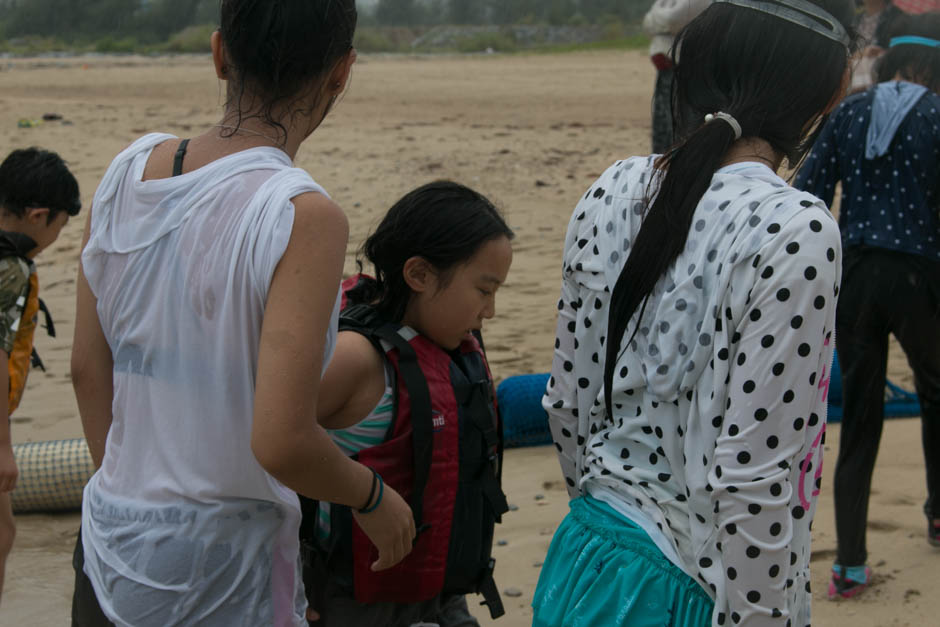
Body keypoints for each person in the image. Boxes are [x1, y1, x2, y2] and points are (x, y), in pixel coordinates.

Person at [69, 2, 415, 625]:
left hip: (106, 545)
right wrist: (372, 497)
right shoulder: (303, 216)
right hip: (221, 570)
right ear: (342, 72)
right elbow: (281, 439)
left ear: (220, 54)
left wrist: (127, 496)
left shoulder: (125, 173)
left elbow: (87, 371)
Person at [536, 0, 853, 624]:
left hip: (586, 555)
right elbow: (755, 476)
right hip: (691, 588)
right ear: (826, 95)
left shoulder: (612, 187)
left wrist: (609, 517)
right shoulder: (796, 227)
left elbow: (566, 404)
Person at [300, 181, 514, 626]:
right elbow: (265, 445)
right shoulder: (356, 359)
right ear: (419, 275)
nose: (489, 311)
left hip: (439, 593)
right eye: (483, 290)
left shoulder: (450, 348)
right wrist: (283, 574)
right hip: (353, 602)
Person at [795, 11, 940, 599]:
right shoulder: (938, 115)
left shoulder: (849, 113)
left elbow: (806, 195)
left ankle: (849, 566)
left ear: (885, 63)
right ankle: (937, 513)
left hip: (853, 277)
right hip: (920, 280)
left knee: (858, 420)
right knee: (936, 392)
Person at [0, 147, 80, 603]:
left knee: (5, 529)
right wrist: (3, 447)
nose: (55, 236)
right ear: (37, 216)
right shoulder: (10, 270)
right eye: (59, 226)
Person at [642, 0, 711, 153]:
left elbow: (672, 20)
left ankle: (674, 157)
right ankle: (661, 158)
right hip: (667, 67)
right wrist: (662, 21)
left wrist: (657, 18)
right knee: (662, 118)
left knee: (677, 119)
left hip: (685, 66)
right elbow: (647, 24)